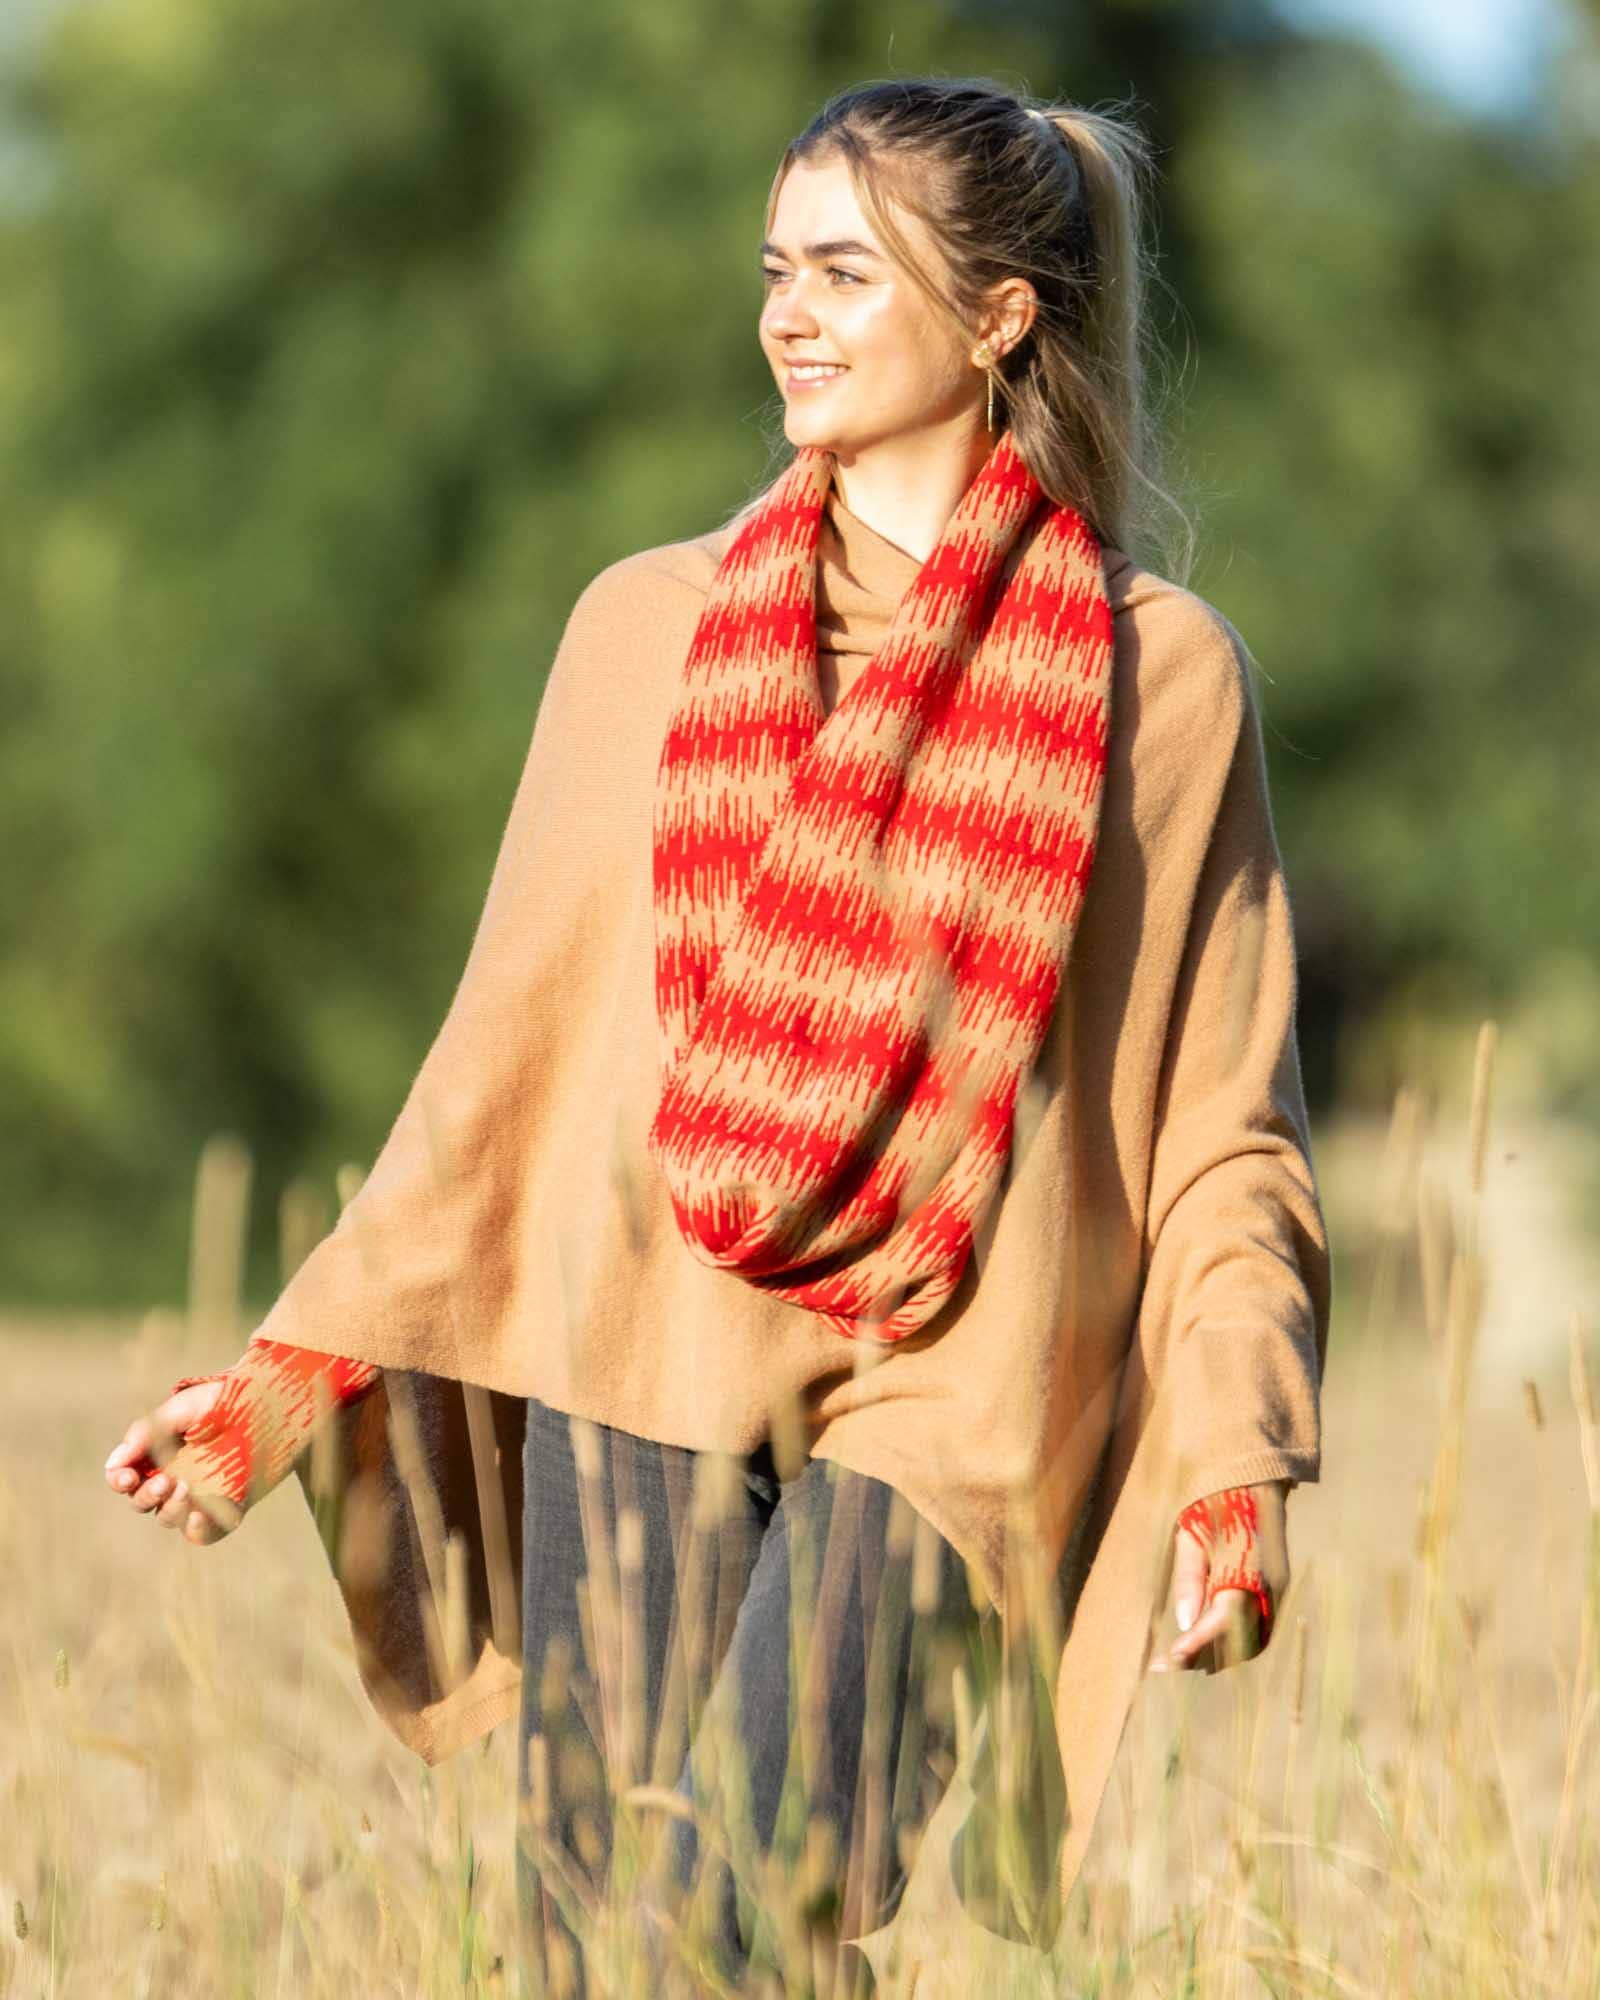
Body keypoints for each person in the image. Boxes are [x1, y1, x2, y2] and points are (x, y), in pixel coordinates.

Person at [104, 76, 1328, 1994]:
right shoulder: (644, 631)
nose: (788, 315)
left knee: (723, 1915)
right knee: (606, 1945)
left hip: (958, 1398)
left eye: (845, 271)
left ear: (1003, 314)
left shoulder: (1158, 678)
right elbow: (504, 1069)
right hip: (642, 1345)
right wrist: (287, 1382)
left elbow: (1223, 1130)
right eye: (776, 270)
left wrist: (1238, 1448)